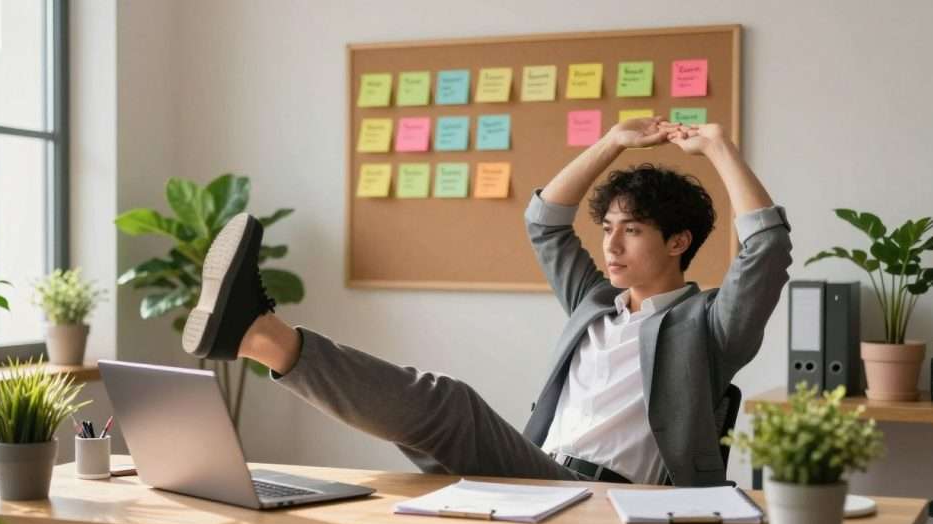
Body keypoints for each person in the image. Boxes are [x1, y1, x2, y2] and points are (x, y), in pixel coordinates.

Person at [181, 118, 791, 487]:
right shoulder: (595, 302)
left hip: (615, 503)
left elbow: (764, 249)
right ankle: (259, 337)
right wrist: (610, 142)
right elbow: (546, 221)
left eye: (631, 230)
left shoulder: (709, 327)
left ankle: (263, 336)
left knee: (453, 408)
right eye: (606, 227)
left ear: (679, 242)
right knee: (429, 425)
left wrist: (719, 149)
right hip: (539, 470)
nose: (610, 243)